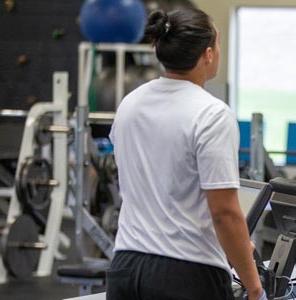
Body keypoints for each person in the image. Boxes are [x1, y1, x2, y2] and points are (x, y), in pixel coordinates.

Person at [106, 8, 265, 300]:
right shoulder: (212, 114)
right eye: (217, 44)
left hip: (126, 268)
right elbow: (224, 213)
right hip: (186, 274)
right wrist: (253, 285)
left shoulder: (130, 104)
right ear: (207, 54)